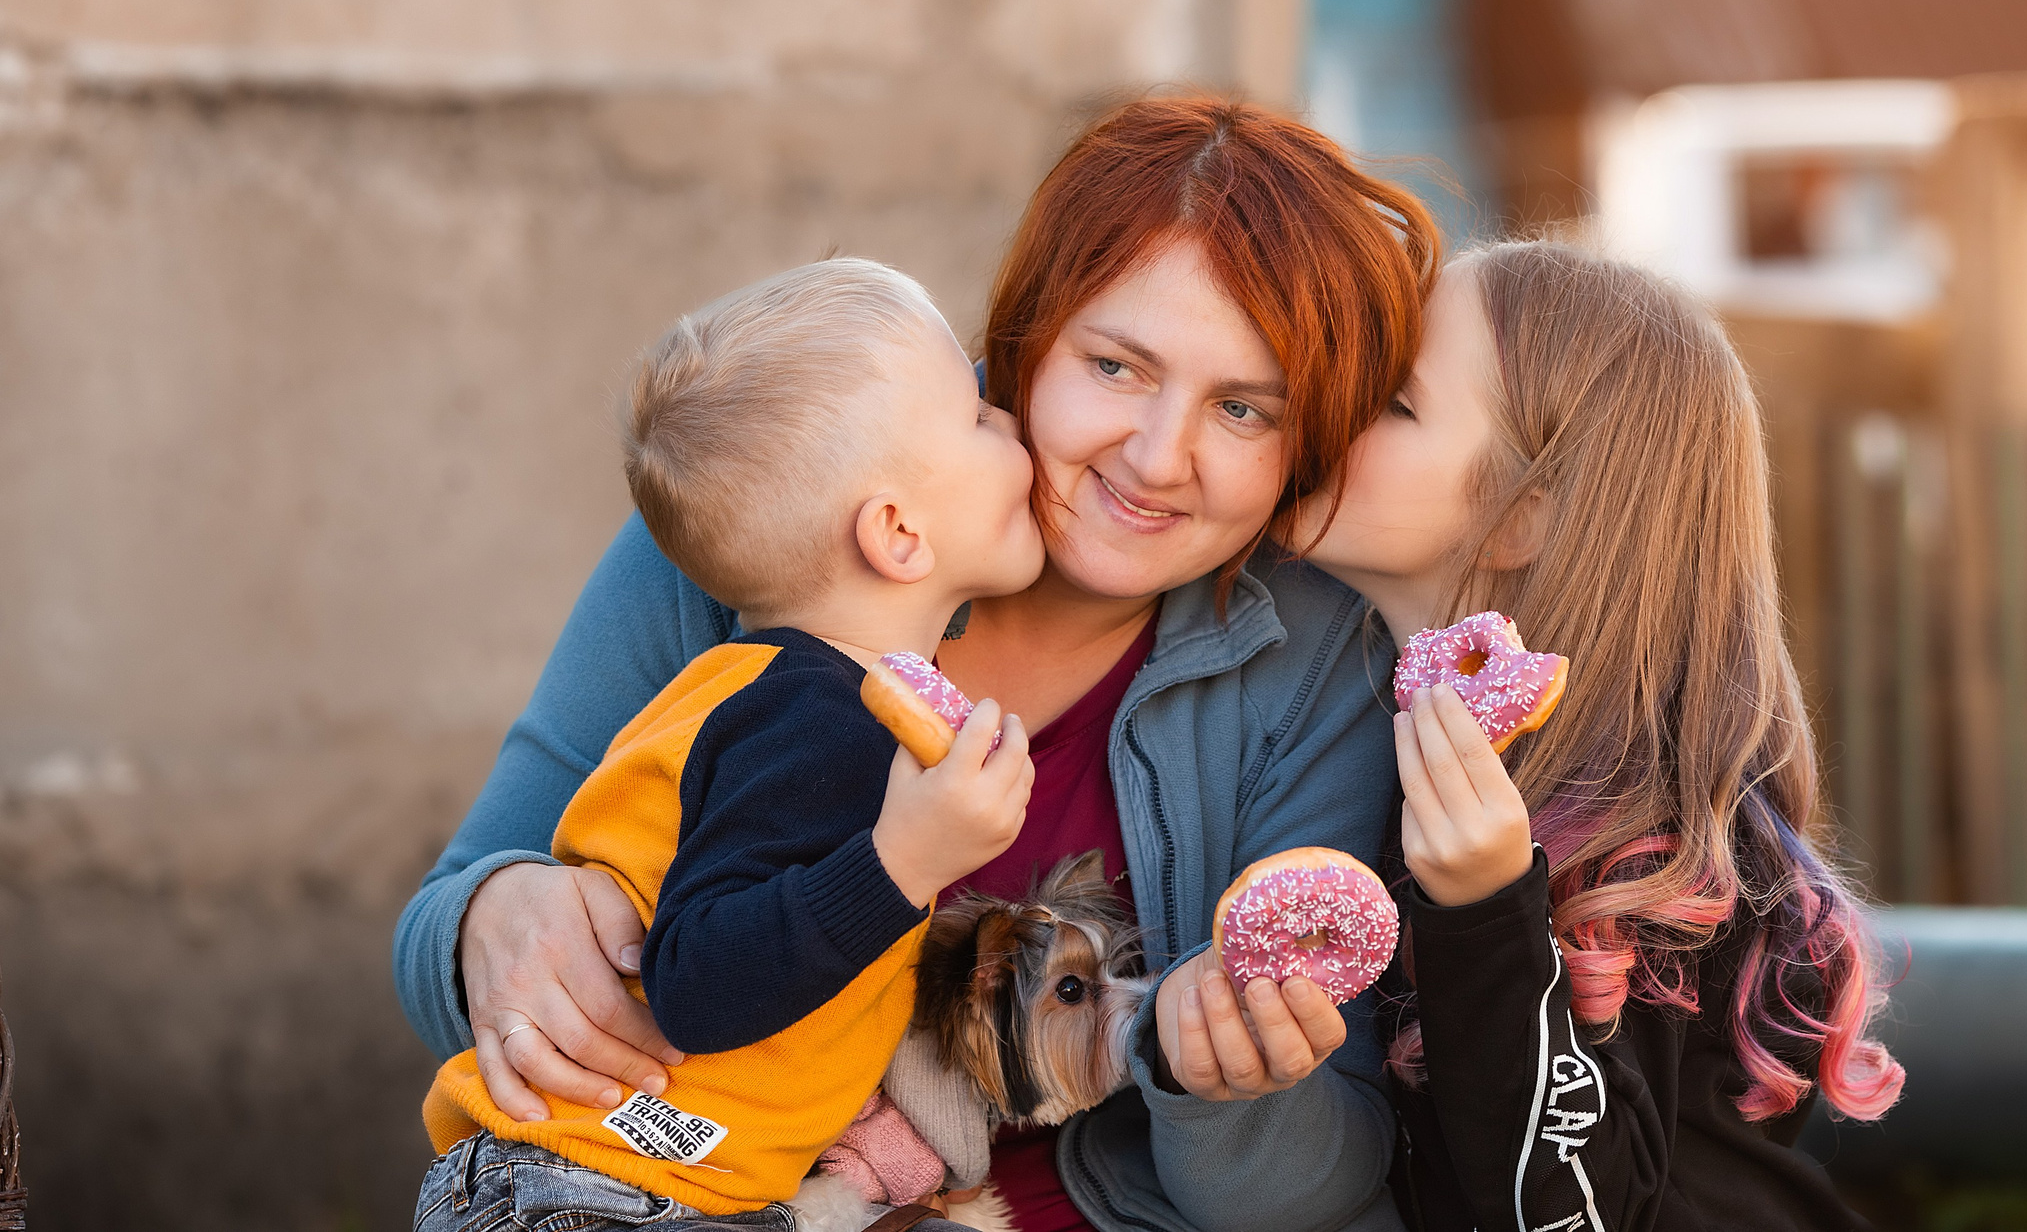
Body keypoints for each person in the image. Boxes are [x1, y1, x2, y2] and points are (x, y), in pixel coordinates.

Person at [395, 95, 1439, 1232]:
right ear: (1030, 340)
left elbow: (1316, 1187)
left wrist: (1216, 1081)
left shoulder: (1312, 659)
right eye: (1116, 365)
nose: (1156, 458)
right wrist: (489, 918)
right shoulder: (775, 518)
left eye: (1244, 409)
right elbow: (442, 932)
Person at [419, 258, 1044, 1227]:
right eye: (975, 417)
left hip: (631, 1180)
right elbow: (701, 983)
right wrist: (908, 857)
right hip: (600, 1192)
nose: (1010, 423)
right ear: (897, 533)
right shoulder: (813, 718)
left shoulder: (757, 688)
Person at [1298, 241, 1905, 1232]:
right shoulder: (1338, 716)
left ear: (1518, 518)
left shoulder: (1651, 860)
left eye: (1394, 401)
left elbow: (1578, 1213)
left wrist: (1489, 913)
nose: (1332, 404)